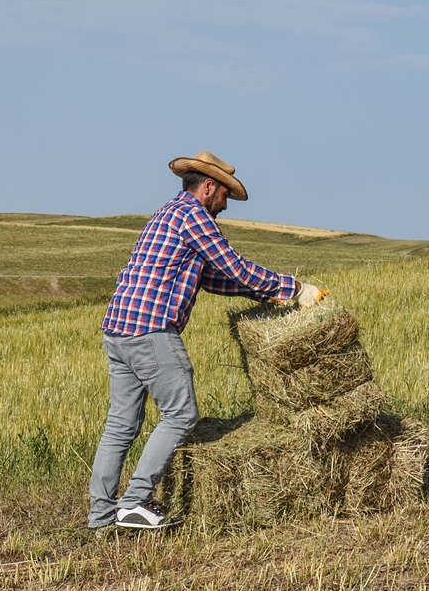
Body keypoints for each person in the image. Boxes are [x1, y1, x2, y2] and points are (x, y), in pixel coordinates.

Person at [88, 151, 327, 530]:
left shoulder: (167, 213)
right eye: (225, 195)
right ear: (209, 187)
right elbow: (236, 266)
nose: (226, 205)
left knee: (121, 423)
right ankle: (135, 501)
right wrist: (295, 289)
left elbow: (213, 279)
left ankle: (101, 515)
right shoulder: (195, 216)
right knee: (181, 414)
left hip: (118, 330)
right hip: (151, 330)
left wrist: (267, 295)